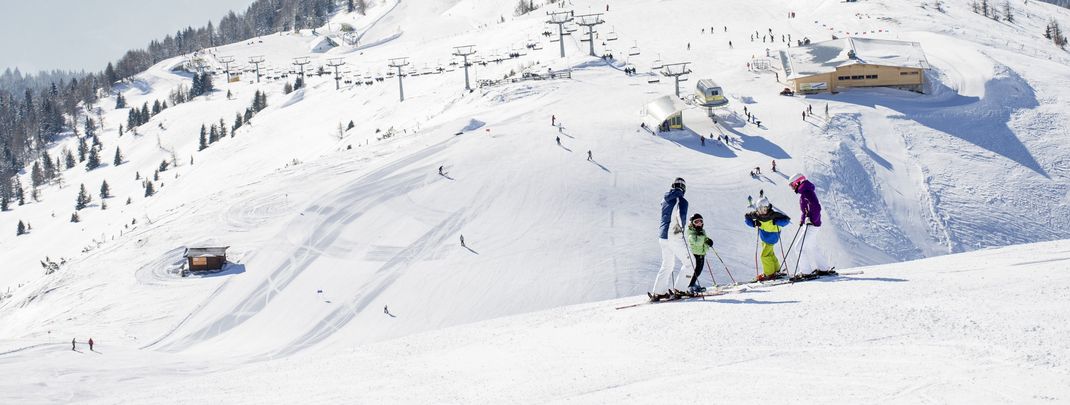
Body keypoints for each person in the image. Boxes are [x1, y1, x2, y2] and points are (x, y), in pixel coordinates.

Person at [650, 178, 690, 301]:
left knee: (667, 264)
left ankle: (659, 292)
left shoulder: (665, 200)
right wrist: (681, 230)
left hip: (662, 236)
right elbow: (680, 216)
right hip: (674, 235)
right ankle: (680, 289)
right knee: (690, 263)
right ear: (683, 188)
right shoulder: (681, 200)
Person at [789, 173, 831, 274]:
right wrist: (802, 220)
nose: (792, 188)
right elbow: (806, 210)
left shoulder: (807, 192)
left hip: (811, 224)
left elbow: (816, 207)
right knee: (811, 246)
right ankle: (823, 268)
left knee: (798, 248)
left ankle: (806, 272)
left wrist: (812, 220)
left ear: (797, 182)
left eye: (792, 185)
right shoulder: (805, 192)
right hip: (810, 224)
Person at [745, 197, 791, 280]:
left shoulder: (773, 214)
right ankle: (776, 270)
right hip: (764, 236)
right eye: (761, 209)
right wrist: (754, 223)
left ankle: (769, 273)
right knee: (770, 254)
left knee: (764, 256)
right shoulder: (757, 214)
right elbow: (747, 217)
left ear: (768, 207)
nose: (764, 211)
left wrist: (777, 221)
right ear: (758, 209)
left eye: (765, 209)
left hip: (772, 237)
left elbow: (786, 220)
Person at [685, 213, 714, 293]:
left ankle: (693, 284)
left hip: (701, 254)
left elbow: (704, 241)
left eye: (700, 221)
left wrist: (708, 242)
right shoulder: (691, 234)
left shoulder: (702, 231)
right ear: (692, 223)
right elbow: (697, 243)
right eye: (696, 222)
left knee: (699, 271)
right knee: (694, 271)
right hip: (695, 255)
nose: (699, 223)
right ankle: (689, 286)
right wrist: (701, 236)